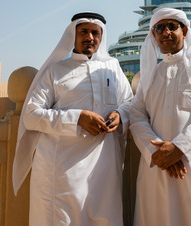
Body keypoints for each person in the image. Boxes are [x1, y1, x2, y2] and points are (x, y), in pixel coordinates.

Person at [13, 12, 133, 226]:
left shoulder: (112, 68)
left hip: (104, 171)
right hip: (61, 170)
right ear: (73, 36)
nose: (90, 37)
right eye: (83, 31)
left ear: (101, 36)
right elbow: (31, 116)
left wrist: (119, 114)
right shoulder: (55, 71)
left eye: (95, 32)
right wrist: (77, 118)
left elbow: (130, 104)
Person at [130, 8, 191, 226]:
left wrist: (179, 148)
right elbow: (135, 114)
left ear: (184, 31)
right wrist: (155, 150)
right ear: (153, 35)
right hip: (157, 166)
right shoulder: (149, 76)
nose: (166, 32)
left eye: (172, 26)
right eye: (159, 28)